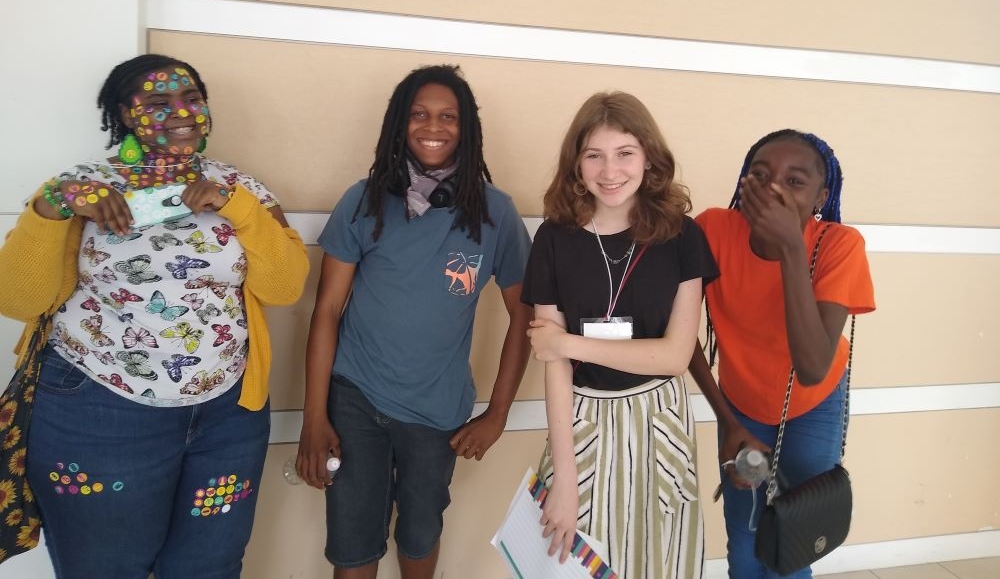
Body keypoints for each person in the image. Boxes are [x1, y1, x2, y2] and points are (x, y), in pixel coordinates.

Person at [0, 54, 309, 579]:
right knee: (105, 567)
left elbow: (284, 287)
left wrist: (235, 207)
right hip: (99, 413)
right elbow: (17, 299)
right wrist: (56, 205)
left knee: (208, 567)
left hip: (228, 416)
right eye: (159, 103)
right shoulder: (83, 185)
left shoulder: (241, 188)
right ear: (125, 113)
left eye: (191, 99)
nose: (181, 113)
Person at [296, 65, 532, 578]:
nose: (434, 126)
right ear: (399, 123)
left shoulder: (495, 213)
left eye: (449, 116)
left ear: (466, 129)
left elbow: (523, 315)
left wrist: (498, 414)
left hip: (436, 412)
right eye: (419, 114)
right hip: (356, 398)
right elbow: (328, 311)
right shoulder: (363, 200)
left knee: (421, 532)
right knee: (353, 542)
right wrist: (314, 417)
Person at [523, 92, 718, 579]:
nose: (610, 171)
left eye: (625, 153)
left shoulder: (682, 236)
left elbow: (675, 356)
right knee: (576, 559)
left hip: (659, 416)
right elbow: (554, 366)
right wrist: (564, 478)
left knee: (661, 561)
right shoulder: (554, 238)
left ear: (648, 157)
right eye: (594, 155)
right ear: (576, 163)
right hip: (581, 416)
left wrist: (568, 343)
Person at [688, 129, 876, 579]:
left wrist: (792, 247)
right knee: (746, 536)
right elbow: (680, 337)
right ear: (742, 183)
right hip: (741, 405)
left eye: (795, 181)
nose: (774, 188)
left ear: (820, 196)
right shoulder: (712, 229)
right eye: (760, 174)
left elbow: (812, 368)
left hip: (815, 404)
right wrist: (728, 422)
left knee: (790, 540)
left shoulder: (839, 244)